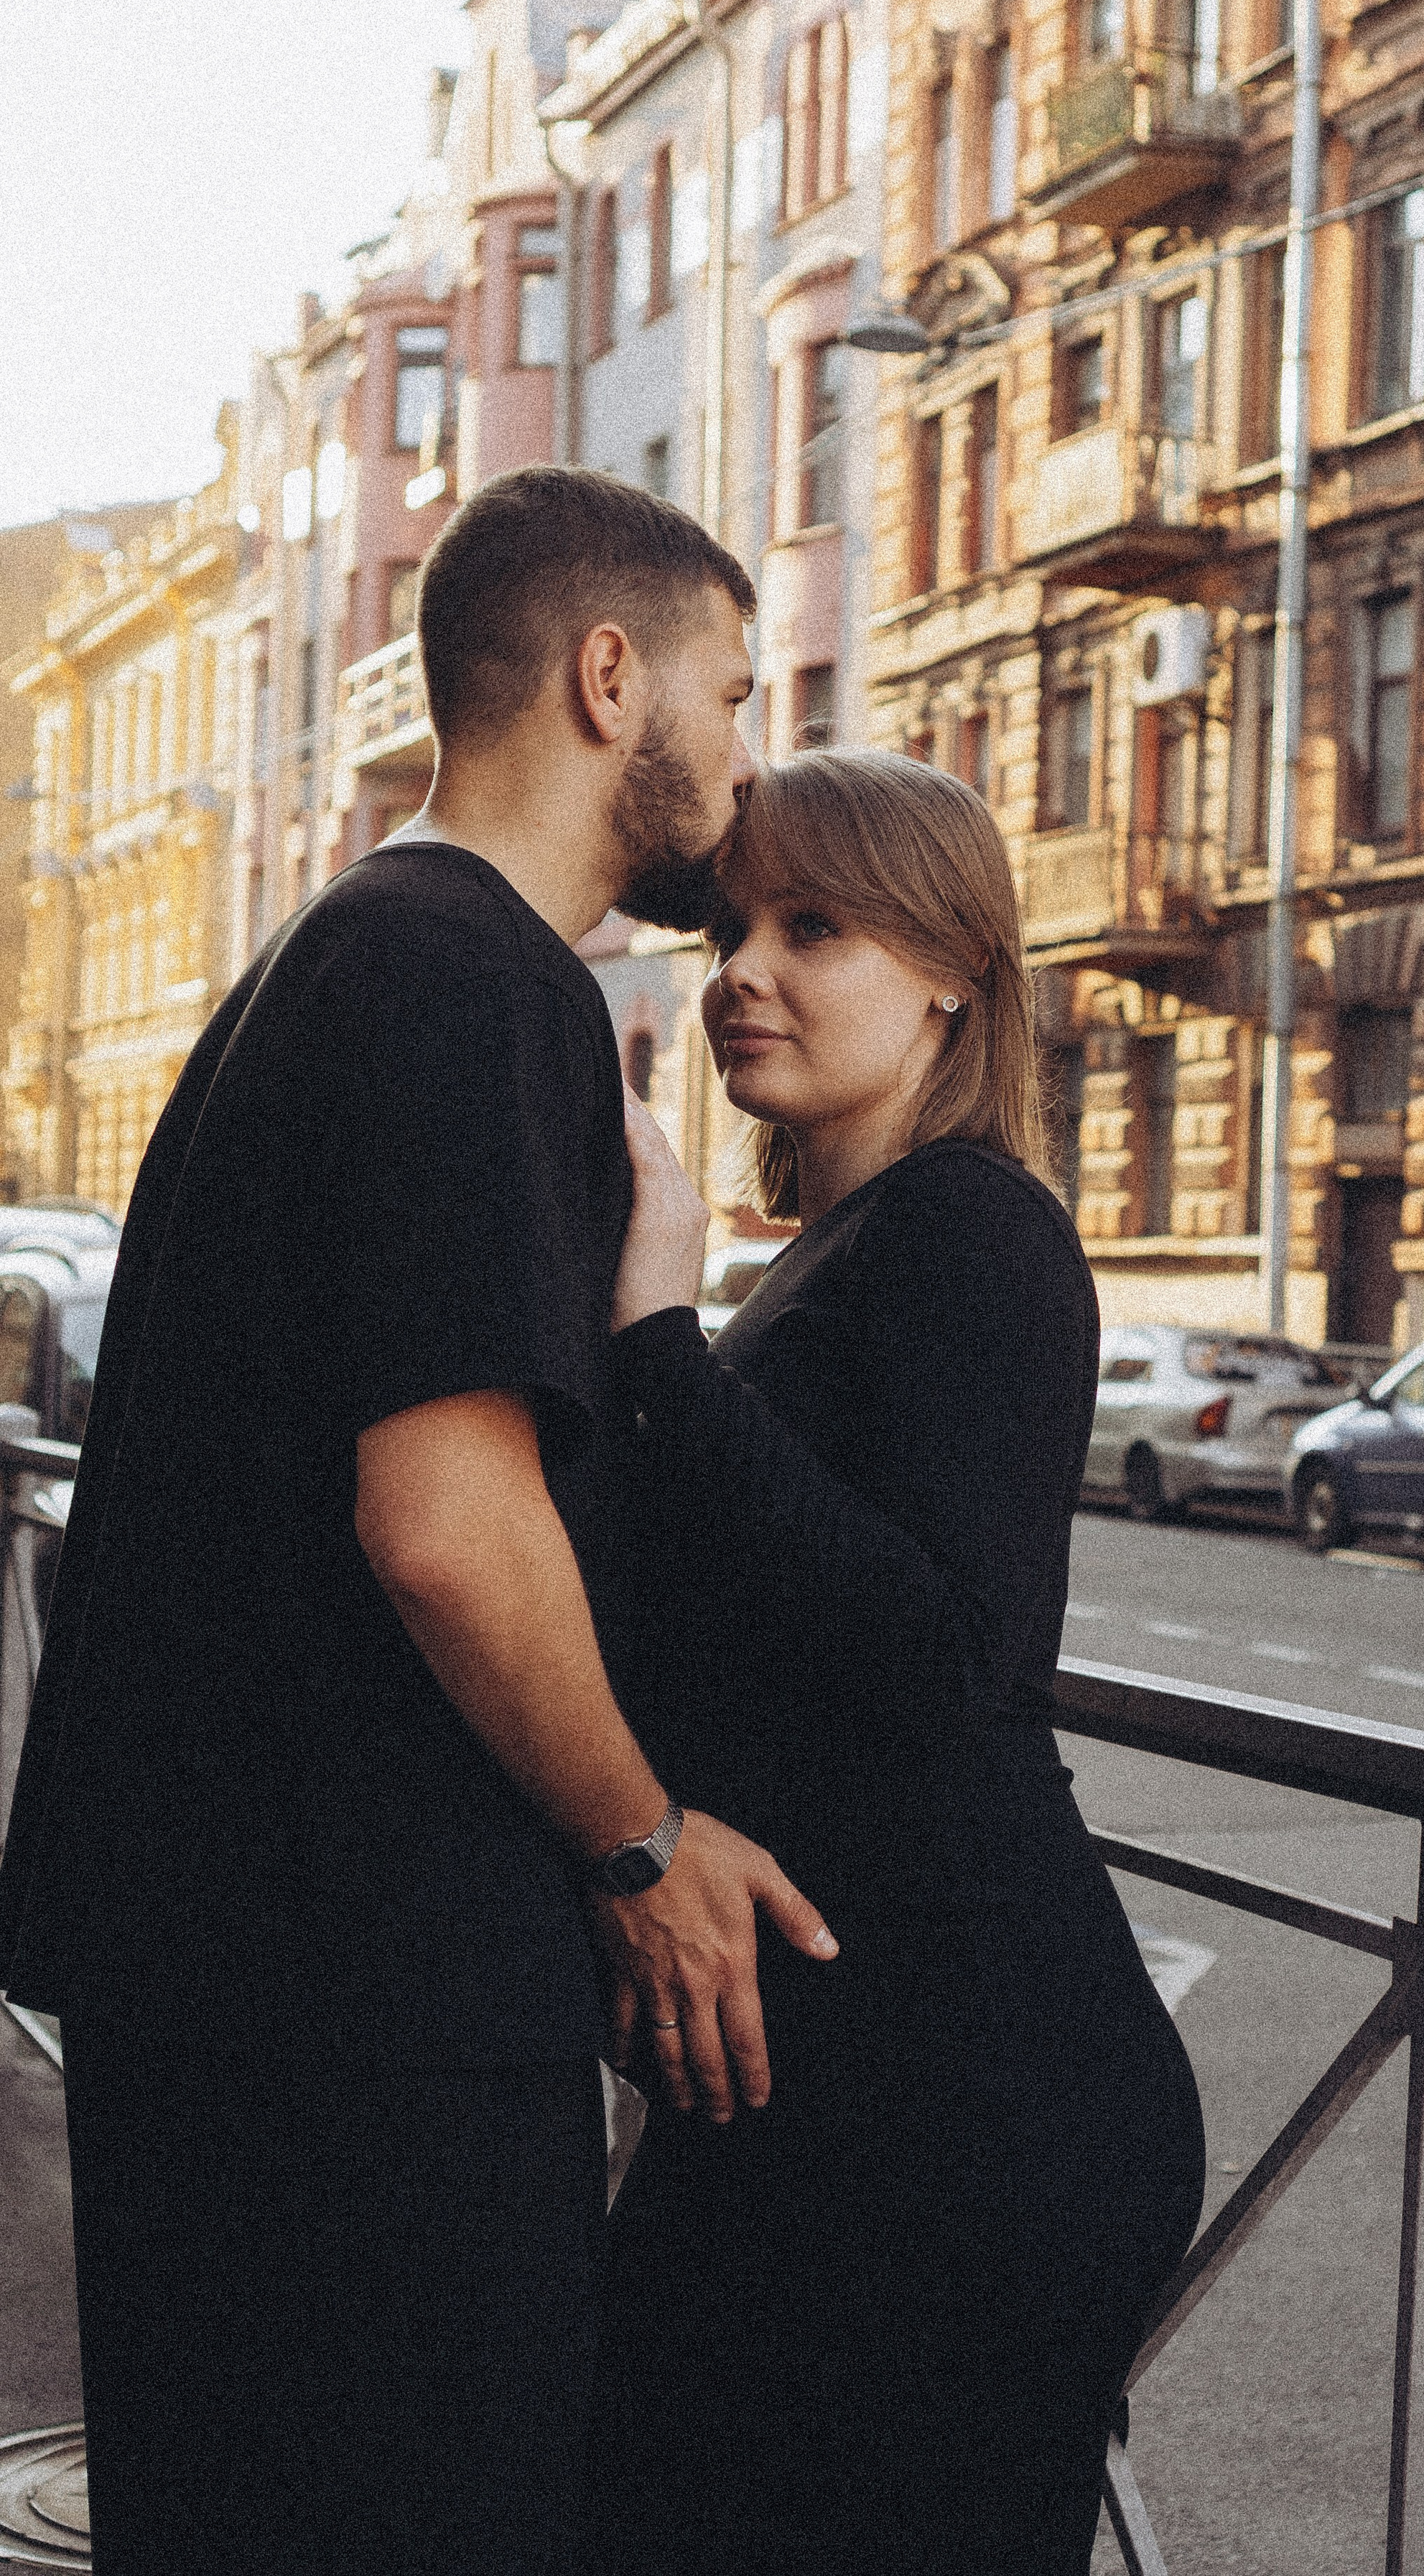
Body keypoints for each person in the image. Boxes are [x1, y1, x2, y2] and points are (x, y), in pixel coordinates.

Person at [0, 468, 836, 2576]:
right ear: (608, 673)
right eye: (735, 693)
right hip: (358, 2011)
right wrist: (641, 1841)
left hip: (230, 1979)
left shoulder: (337, 953)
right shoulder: (479, 986)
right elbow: (447, 1522)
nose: (748, 759)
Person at [590, 748, 1206, 2576]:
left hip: (969, 2115)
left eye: (815, 926)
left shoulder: (975, 1232)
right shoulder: (836, 1250)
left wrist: (651, 1345)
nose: (739, 970)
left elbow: (948, 1654)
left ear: (948, 967)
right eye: (729, 926)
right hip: (836, 2092)